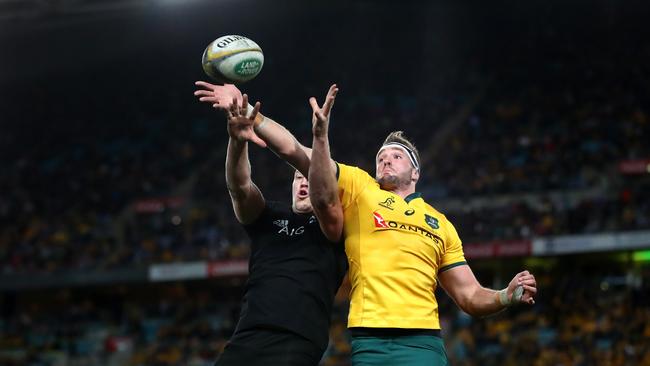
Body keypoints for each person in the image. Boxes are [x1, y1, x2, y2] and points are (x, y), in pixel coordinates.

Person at [195, 81, 537, 366]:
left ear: (415, 171)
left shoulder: (442, 224)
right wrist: (253, 117)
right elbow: (295, 152)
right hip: (368, 341)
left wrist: (504, 296)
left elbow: (469, 294)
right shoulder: (360, 188)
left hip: (424, 343)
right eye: (381, 156)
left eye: (397, 155)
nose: (386, 158)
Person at [194, 87, 347, 366]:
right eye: (298, 177)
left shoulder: (335, 225)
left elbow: (315, 183)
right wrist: (237, 141)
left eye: (310, 178)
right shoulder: (268, 215)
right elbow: (239, 188)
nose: (303, 182)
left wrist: (318, 138)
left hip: (297, 341)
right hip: (246, 337)